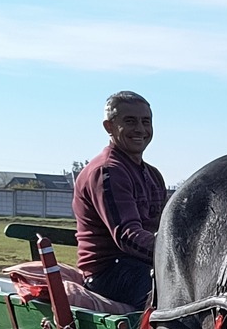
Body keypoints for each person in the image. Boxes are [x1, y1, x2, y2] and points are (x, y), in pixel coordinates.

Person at [72, 90, 168, 305]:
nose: (140, 129)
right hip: (109, 271)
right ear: (109, 127)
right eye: (130, 122)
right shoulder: (107, 172)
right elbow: (127, 236)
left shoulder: (152, 174)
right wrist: (176, 253)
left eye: (146, 121)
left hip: (140, 265)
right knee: (178, 299)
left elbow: (165, 227)